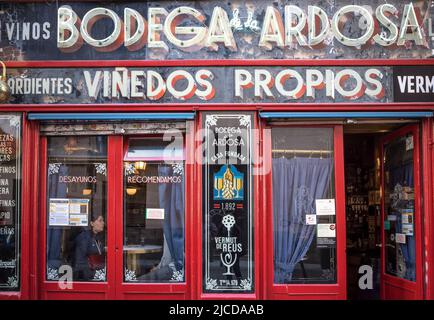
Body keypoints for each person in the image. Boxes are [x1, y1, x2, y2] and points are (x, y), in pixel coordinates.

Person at [73, 214, 106, 281]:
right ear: (92, 223)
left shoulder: (99, 236)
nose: (103, 223)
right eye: (100, 220)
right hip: (88, 275)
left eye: (103, 221)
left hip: (97, 271)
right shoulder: (84, 237)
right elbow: (80, 260)